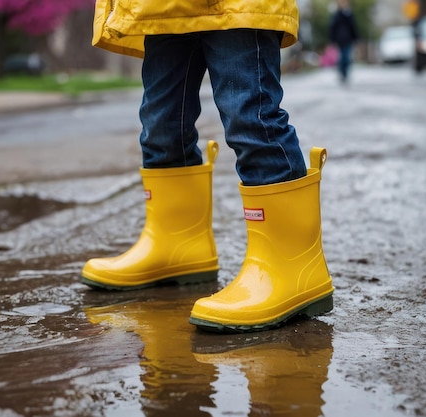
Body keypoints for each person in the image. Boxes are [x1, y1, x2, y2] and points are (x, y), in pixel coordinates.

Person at [81, 0, 334, 333]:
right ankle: (175, 245)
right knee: (160, 127)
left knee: (249, 117)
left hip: (235, 5)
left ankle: (291, 268)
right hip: (160, 7)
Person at [329, 0, 359, 83]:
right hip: (340, 39)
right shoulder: (336, 14)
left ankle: (345, 74)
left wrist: (355, 38)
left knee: (347, 58)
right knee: (342, 57)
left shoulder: (349, 14)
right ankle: (342, 73)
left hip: (348, 39)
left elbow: (353, 27)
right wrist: (332, 40)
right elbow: (332, 27)